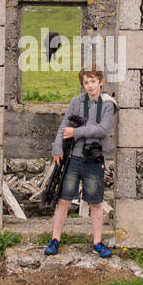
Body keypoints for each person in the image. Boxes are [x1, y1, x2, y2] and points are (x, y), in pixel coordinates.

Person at [45, 67, 114, 258]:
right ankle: (55, 239)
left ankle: (97, 243)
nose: (90, 86)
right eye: (86, 82)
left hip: (94, 161)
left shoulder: (108, 104)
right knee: (64, 199)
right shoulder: (76, 102)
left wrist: (76, 132)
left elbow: (102, 129)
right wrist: (57, 147)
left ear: (101, 81)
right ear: (82, 85)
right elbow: (63, 126)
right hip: (73, 158)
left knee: (96, 202)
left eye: (93, 81)